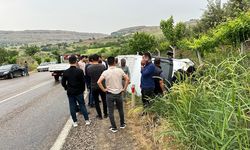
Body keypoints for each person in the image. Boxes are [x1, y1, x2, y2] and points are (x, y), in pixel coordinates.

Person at [97, 56, 130, 133]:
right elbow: (127, 79)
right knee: (120, 109)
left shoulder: (105, 72)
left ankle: (114, 127)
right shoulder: (120, 70)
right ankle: (122, 124)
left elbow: (98, 82)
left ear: (108, 63)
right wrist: (124, 88)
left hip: (109, 94)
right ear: (115, 62)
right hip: (119, 93)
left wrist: (104, 89)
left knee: (110, 111)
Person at [61, 55, 90, 127]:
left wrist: (66, 88)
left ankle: (75, 122)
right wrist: (83, 90)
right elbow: (83, 82)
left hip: (70, 92)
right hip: (79, 91)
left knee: (72, 106)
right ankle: (86, 120)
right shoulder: (79, 71)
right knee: (82, 105)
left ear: (69, 62)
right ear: (76, 61)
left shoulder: (65, 72)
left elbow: (63, 83)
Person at [86, 54, 108, 119]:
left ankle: (100, 115)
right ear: (98, 59)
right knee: (104, 100)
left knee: (96, 101)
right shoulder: (103, 66)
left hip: (93, 86)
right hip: (102, 86)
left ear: (92, 59)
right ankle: (106, 114)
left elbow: (88, 76)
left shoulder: (89, 68)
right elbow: (105, 76)